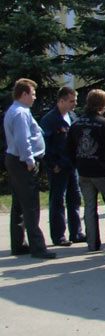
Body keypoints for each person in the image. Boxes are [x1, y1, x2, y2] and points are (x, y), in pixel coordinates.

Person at [67, 89, 105, 252]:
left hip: (84, 170)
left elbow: (70, 148)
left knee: (89, 206)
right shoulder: (104, 124)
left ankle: (92, 243)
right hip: (102, 170)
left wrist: (78, 164)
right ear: (103, 105)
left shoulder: (77, 124)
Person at [3, 79, 56, 259]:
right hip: (22, 161)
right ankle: (37, 246)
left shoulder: (19, 111)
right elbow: (22, 139)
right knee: (31, 205)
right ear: (24, 94)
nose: (34, 98)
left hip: (16, 160)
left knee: (19, 203)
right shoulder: (20, 113)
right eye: (32, 94)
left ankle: (19, 244)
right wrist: (29, 160)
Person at [39, 85, 85, 246]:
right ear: (61, 101)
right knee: (58, 200)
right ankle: (59, 236)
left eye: (75, 101)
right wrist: (52, 165)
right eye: (71, 101)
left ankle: (76, 232)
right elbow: (44, 145)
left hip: (72, 165)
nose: (75, 104)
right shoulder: (50, 120)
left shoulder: (72, 116)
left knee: (75, 198)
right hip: (58, 166)